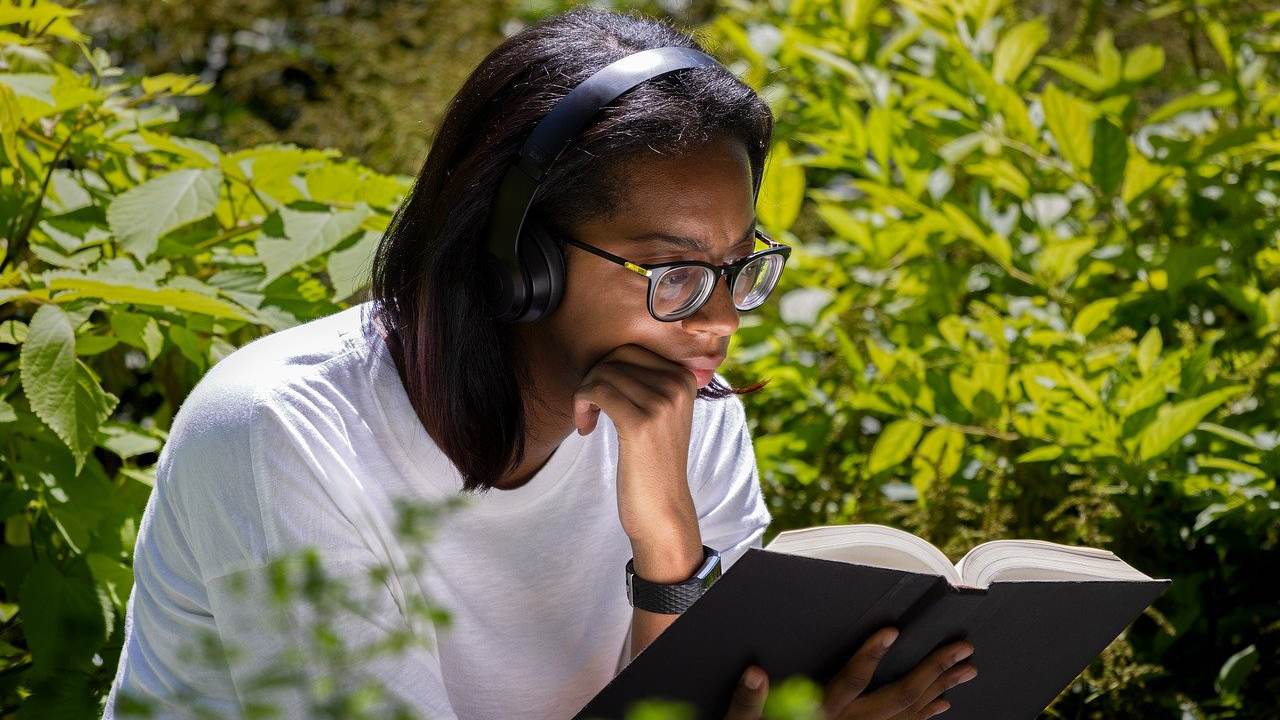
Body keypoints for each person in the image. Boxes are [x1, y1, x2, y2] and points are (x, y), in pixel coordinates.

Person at [103, 7, 976, 720]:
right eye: (671, 272)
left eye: (737, 267)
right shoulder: (285, 431)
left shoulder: (688, 412)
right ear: (526, 260)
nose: (716, 322)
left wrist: (669, 552)